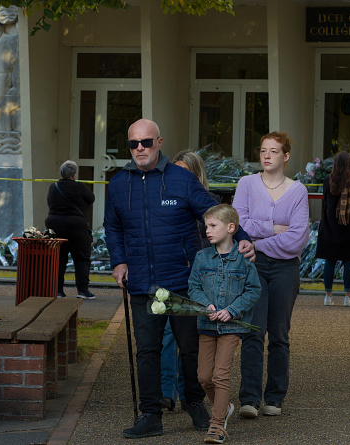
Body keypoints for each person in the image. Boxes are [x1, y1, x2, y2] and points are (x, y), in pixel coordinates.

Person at [104, 119, 255, 439]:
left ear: (159, 142)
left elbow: (213, 212)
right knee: (147, 350)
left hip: (185, 281)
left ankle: (195, 403)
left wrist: (240, 236)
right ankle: (150, 414)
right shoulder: (118, 184)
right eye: (133, 144)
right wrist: (118, 262)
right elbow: (113, 228)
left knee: (191, 349)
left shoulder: (181, 179)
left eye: (146, 142)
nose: (140, 149)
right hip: (144, 284)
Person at [232, 131, 310, 418]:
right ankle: (249, 398)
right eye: (263, 150)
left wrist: (258, 240)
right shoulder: (247, 184)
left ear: (286, 156)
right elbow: (239, 224)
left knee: (279, 334)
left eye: (274, 151)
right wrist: (275, 227)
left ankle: (274, 398)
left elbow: (296, 239)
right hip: (251, 266)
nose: (266, 155)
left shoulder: (298, 190)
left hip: (284, 268)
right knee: (253, 331)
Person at [189, 204, 262, 444]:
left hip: (233, 327)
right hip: (206, 325)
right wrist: (205, 305)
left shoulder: (244, 259)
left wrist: (232, 310)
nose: (207, 231)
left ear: (231, 228)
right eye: (206, 226)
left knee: (220, 375)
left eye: (213, 226)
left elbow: (253, 291)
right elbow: (194, 287)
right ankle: (226, 406)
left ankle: (217, 425)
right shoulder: (201, 257)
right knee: (203, 377)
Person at [159, 150, 221, 413]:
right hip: (172, 275)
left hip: (201, 280)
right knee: (167, 336)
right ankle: (165, 393)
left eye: (186, 172)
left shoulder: (212, 205)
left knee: (191, 341)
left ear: (197, 175)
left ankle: (189, 395)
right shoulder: (165, 201)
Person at [316, 151, 350, 307]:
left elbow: (325, 201)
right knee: (348, 260)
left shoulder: (327, 181)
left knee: (329, 260)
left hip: (330, 225)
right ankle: (347, 296)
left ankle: (328, 296)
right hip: (349, 226)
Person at [45, 160, 95, 299]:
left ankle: (58, 291)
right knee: (81, 258)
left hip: (55, 227)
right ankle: (82, 291)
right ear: (74, 175)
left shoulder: (53, 187)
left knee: (59, 259)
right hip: (77, 227)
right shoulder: (79, 187)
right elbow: (91, 198)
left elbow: (49, 202)